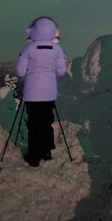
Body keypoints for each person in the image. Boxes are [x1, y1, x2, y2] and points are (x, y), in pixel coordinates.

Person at [15, 16, 67, 166]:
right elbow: (61, 71)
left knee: (33, 122)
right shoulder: (57, 49)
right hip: (49, 92)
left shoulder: (28, 48)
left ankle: (34, 155)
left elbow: (20, 72)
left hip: (32, 92)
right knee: (46, 120)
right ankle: (46, 150)